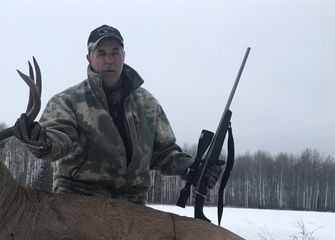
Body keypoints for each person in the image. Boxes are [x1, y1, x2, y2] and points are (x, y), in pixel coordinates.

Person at [14, 25, 223, 205]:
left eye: (115, 52)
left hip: (133, 208)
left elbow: (163, 153)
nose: (109, 60)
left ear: (123, 56)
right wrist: (40, 141)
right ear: (89, 58)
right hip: (80, 204)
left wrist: (194, 168)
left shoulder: (147, 104)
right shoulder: (68, 101)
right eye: (102, 53)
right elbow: (58, 138)